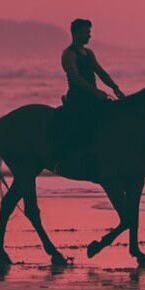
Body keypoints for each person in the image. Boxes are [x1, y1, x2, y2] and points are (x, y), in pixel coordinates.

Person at [53, 18, 125, 175]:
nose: (89, 36)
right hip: (78, 99)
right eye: (86, 32)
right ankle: (65, 160)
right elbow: (75, 78)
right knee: (83, 125)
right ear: (76, 33)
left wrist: (115, 87)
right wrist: (96, 92)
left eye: (89, 32)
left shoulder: (89, 53)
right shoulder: (69, 54)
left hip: (93, 98)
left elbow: (100, 72)